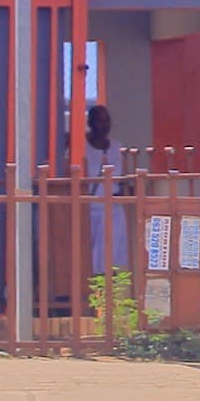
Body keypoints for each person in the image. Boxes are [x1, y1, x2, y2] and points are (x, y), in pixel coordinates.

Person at [84, 104, 131, 274]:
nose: (104, 125)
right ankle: (96, 284)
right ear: (90, 123)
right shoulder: (82, 148)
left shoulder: (118, 147)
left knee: (115, 253)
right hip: (91, 210)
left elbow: (124, 178)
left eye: (107, 120)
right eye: (99, 120)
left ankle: (115, 284)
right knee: (93, 255)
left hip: (114, 209)